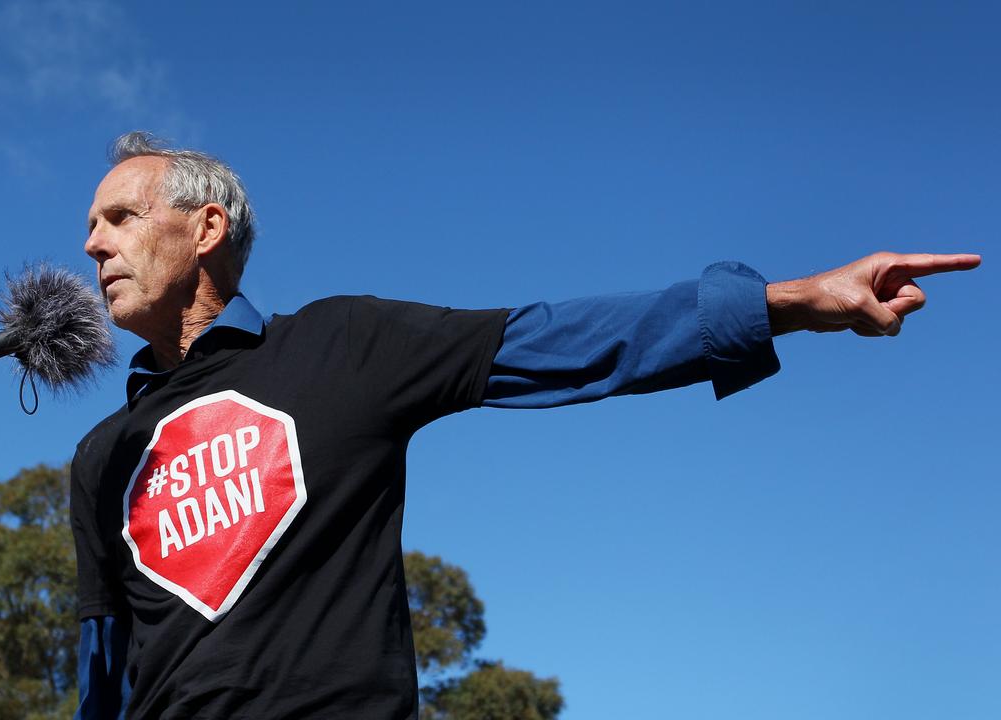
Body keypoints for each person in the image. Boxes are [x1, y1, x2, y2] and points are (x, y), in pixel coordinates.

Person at [70, 131, 981, 720]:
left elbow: (563, 340)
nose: (92, 244)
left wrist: (792, 300)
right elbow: (102, 674)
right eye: (90, 225)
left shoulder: (346, 345)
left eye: (120, 217)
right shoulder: (102, 457)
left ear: (206, 229)